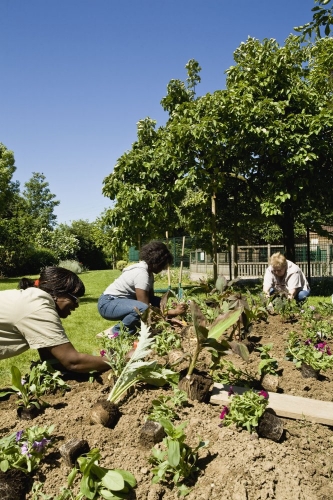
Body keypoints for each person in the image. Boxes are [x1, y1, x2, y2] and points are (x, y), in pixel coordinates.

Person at [0, 266, 109, 374]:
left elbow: (52, 360)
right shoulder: (38, 307)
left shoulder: (32, 300)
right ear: (57, 293)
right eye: (75, 298)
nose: (77, 305)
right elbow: (73, 362)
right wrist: (120, 359)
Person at [98, 240, 187, 336]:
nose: (164, 268)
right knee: (142, 309)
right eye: (164, 264)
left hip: (119, 301)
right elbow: (145, 308)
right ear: (158, 261)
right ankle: (115, 332)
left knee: (158, 301)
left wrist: (169, 312)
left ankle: (131, 329)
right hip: (107, 304)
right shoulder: (141, 273)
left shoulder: (149, 273)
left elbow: (151, 300)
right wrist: (173, 312)